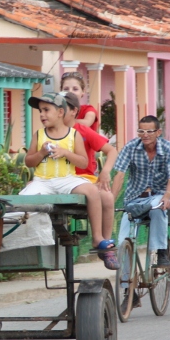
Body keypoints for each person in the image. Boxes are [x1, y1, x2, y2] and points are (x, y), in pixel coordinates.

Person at [22, 92, 119, 270]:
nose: (42, 114)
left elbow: (84, 160)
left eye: (46, 110)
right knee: (21, 201)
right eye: (40, 111)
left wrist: (66, 153)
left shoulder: (75, 134)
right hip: (43, 180)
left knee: (96, 193)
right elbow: (28, 161)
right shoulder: (39, 134)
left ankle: (100, 238)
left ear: (63, 112)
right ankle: (19, 241)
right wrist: (42, 153)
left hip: (69, 178)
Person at [111, 115, 170, 270]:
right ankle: (127, 287)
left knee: (158, 207)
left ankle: (160, 251)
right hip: (135, 198)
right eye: (141, 131)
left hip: (160, 194)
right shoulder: (130, 148)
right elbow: (119, 175)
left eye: (149, 131)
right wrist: (110, 201)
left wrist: (166, 197)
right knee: (122, 242)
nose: (145, 135)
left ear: (158, 132)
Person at [61, 92, 118, 250]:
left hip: (84, 178)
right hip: (59, 179)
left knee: (107, 197)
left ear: (74, 111)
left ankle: (104, 243)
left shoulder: (83, 130)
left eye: (62, 107)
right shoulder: (50, 131)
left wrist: (105, 171)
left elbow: (112, 151)